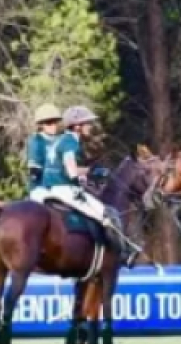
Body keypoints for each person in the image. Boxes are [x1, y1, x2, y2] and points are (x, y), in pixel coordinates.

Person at [37, 105, 140, 265]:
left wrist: (85, 177)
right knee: (108, 214)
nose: (90, 127)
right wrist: (91, 171)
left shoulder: (59, 140)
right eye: (87, 123)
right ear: (77, 126)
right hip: (64, 190)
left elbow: (62, 169)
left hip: (48, 189)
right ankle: (123, 254)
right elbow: (71, 171)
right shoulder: (71, 142)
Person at [26, 103, 64, 203]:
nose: (53, 126)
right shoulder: (37, 140)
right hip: (42, 187)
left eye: (55, 122)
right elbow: (35, 170)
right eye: (49, 123)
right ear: (41, 124)